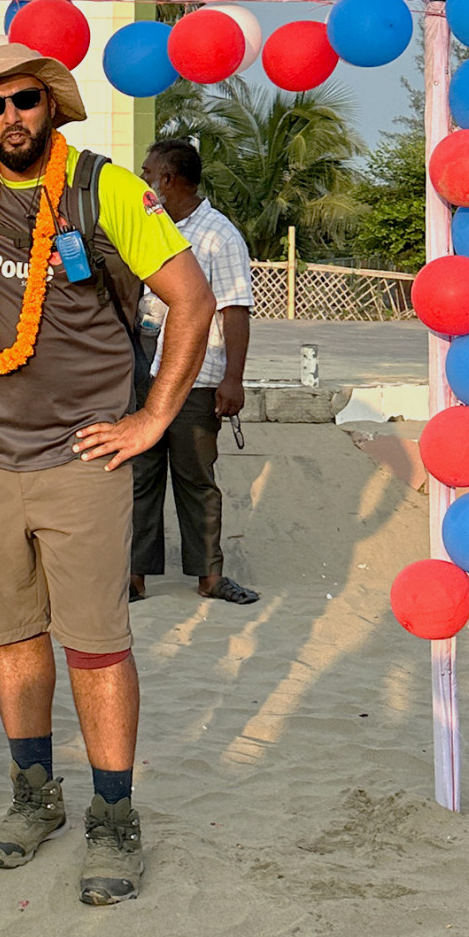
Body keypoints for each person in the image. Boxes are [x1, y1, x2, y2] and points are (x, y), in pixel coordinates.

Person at [0, 43, 214, 905]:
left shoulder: (106, 189)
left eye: (25, 100)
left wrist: (151, 418)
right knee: (9, 636)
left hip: (84, 459)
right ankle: (34, 798)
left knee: (97, 642)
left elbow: (192, 298)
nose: (11, 119)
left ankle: (114, 816)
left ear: (51, 105)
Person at [132, 141, 258, 607]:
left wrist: (233, 379)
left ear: (168, 179)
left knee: (195, 477)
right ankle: (134, 576)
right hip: (147, 370)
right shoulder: (155, 227)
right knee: (140, 474)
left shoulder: (217, 236)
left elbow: (235, 309)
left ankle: (209, 576)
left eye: (148, 173)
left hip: (197, 376)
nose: (143, 180)